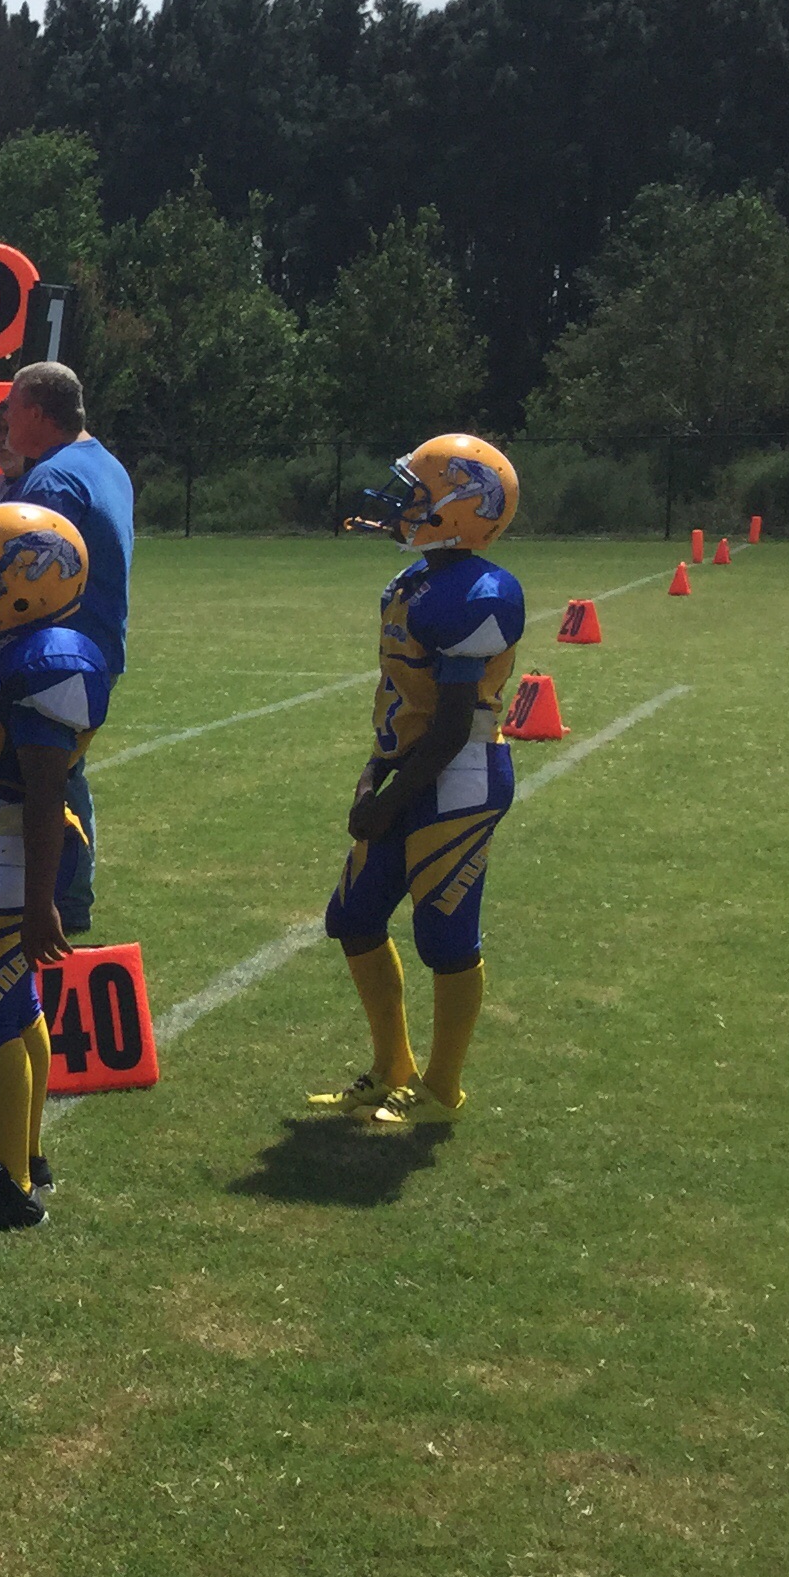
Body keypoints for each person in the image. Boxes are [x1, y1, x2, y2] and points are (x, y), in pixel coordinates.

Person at [311, 435, 526, 1126]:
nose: (402, 504)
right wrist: (373, 774)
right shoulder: (414, 583)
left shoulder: (478, 594)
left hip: (458, 775)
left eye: (418, 493)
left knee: (445, 937)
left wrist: (391, 799)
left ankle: (443, 1087)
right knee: (353, 918)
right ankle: (391, 1066)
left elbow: (453, 723)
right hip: (408, 763)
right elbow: (401, 703)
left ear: (463, 507)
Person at [0, 504, 114, 1233]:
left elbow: (42, 789)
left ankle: (10, 1188)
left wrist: (41, 902)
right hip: (6, 848)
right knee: (16, 1005)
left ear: (30, 584)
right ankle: (24, 1155)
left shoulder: (51, 658)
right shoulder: (25, 647)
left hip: (13, 850)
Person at [0, 364, 131, 941]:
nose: (4, 422)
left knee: (39, 779)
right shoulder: (104, 462)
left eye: (11, 408)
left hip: (54, 652)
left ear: (36, 412)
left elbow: (22, 574)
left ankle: (57, 900)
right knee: (66, 772)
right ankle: (72, 895)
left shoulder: (51, 481)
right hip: (96, 647)